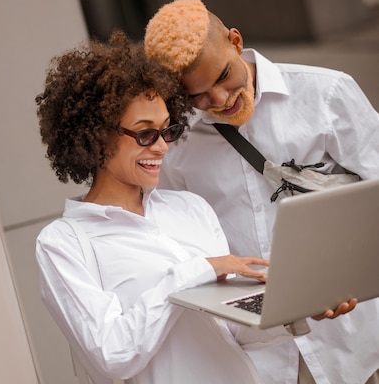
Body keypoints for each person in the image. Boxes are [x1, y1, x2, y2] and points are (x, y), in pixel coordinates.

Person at [34, 31, 351, 384]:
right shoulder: (63, 243)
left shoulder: (189, 208)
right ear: (95, 138)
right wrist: (197, 271)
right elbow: (113, 356)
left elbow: (230, 333)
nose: (161, 148)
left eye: (167, 131)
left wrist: (296, 307)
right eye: (144, 134)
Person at [144, 0, 379, 384]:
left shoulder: (326, 94)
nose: (219, 101)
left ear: (236, 41)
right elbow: (184, 247)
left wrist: (351, 275)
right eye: (196, 96)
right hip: (258, 355)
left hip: (350, 342)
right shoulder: (176, 145)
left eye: (222, 76)